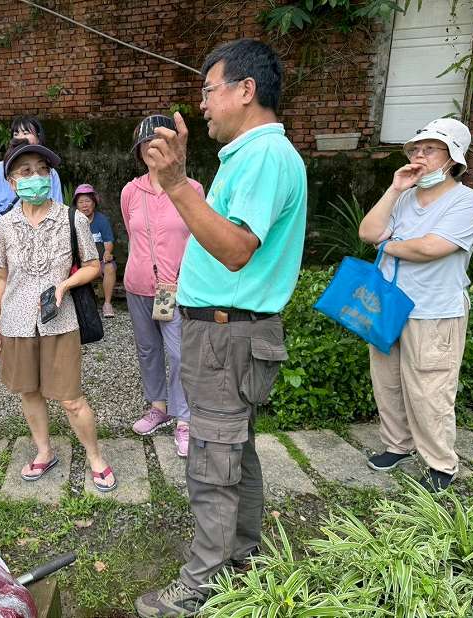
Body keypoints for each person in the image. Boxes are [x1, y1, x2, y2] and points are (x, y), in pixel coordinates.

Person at [134, 39, 307, 616]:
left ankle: (201, 583)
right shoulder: (253, 155)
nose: (202, 104)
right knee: (237, 452)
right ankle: (243, 559)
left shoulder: (261, 156)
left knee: (211, 461)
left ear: (246, 90)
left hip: (225, 336)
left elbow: (235, 249)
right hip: (233, 333)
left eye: (209, 90)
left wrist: (178, 185)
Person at [358, 117, 473, 493]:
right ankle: (397, 446)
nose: (419, 155)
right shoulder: (405, 197)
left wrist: (387, 245)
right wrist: (395, 189)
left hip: (434, 310)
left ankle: (440, 463)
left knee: (431, 389)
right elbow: (368, 232)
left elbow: (431, 248)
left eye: (430, 149)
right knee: (387, 382)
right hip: (387, 304)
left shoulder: (466, 200)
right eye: (415, 148)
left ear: (452, 158)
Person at [0, 139, 117, 492]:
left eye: (43, 171)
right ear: (12, 182)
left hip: (61, 321)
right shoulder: (2, 226)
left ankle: (95, 457)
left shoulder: (71, 218)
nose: (36, 178)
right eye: (26, 172)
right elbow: (0, 276)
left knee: (71, 398)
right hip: (16, 323)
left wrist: (64, 285)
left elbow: (93, 265)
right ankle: (44, 451)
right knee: (29, 391)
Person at [121, 115, 205, 459]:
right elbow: (131, 233)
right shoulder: (131, 190)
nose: (151, 150)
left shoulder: (191, 188)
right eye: (145, 145)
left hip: (175, 287)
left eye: (158, 143)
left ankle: (184, 417)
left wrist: (182, 277)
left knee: (180, 353)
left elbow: (201, 238)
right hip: (137, 284)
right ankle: (159, 407)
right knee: (148, 350)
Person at [0, 116, 62, 373]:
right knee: (4, 290)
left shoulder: (51, 174)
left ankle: (47, 344)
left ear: (39, 138)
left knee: (42, 288)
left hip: (42, 241)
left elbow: (57, 207)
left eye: (28, 132)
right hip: (6, 242)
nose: (22, 136)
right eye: (17, 132)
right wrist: (8, 224)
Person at [72, 184, 117, 317]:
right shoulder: (72, 220)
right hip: (80, 263)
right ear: (76, 204)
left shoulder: (101, 220)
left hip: (99, 262)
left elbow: (108, 241)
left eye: (87, 201)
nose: (84, 205)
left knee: (110, 268)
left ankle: (107, 304)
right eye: (81, 202)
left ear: (94, 202)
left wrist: (107, 252)